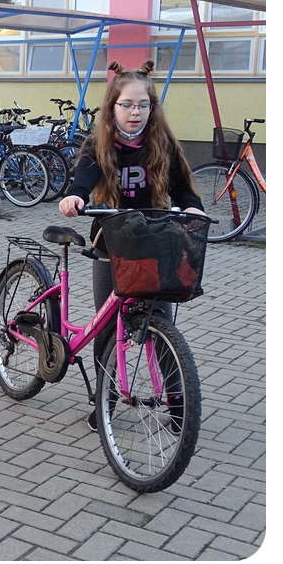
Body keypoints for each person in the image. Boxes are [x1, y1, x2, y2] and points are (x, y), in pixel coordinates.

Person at [57, 60, 204, 432]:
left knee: (161, 322)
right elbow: (84, 177)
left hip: (154, 241)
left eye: (143, 105)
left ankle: (178, 403)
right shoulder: (99, 144)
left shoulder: (161, 144)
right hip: (111, 242)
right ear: (112, 107)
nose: (135, 112)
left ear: (152, 108)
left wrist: (192, 208)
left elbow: (183, 188)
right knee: (107, 327)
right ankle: (104, 399)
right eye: (126, 104)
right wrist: (75, 196)